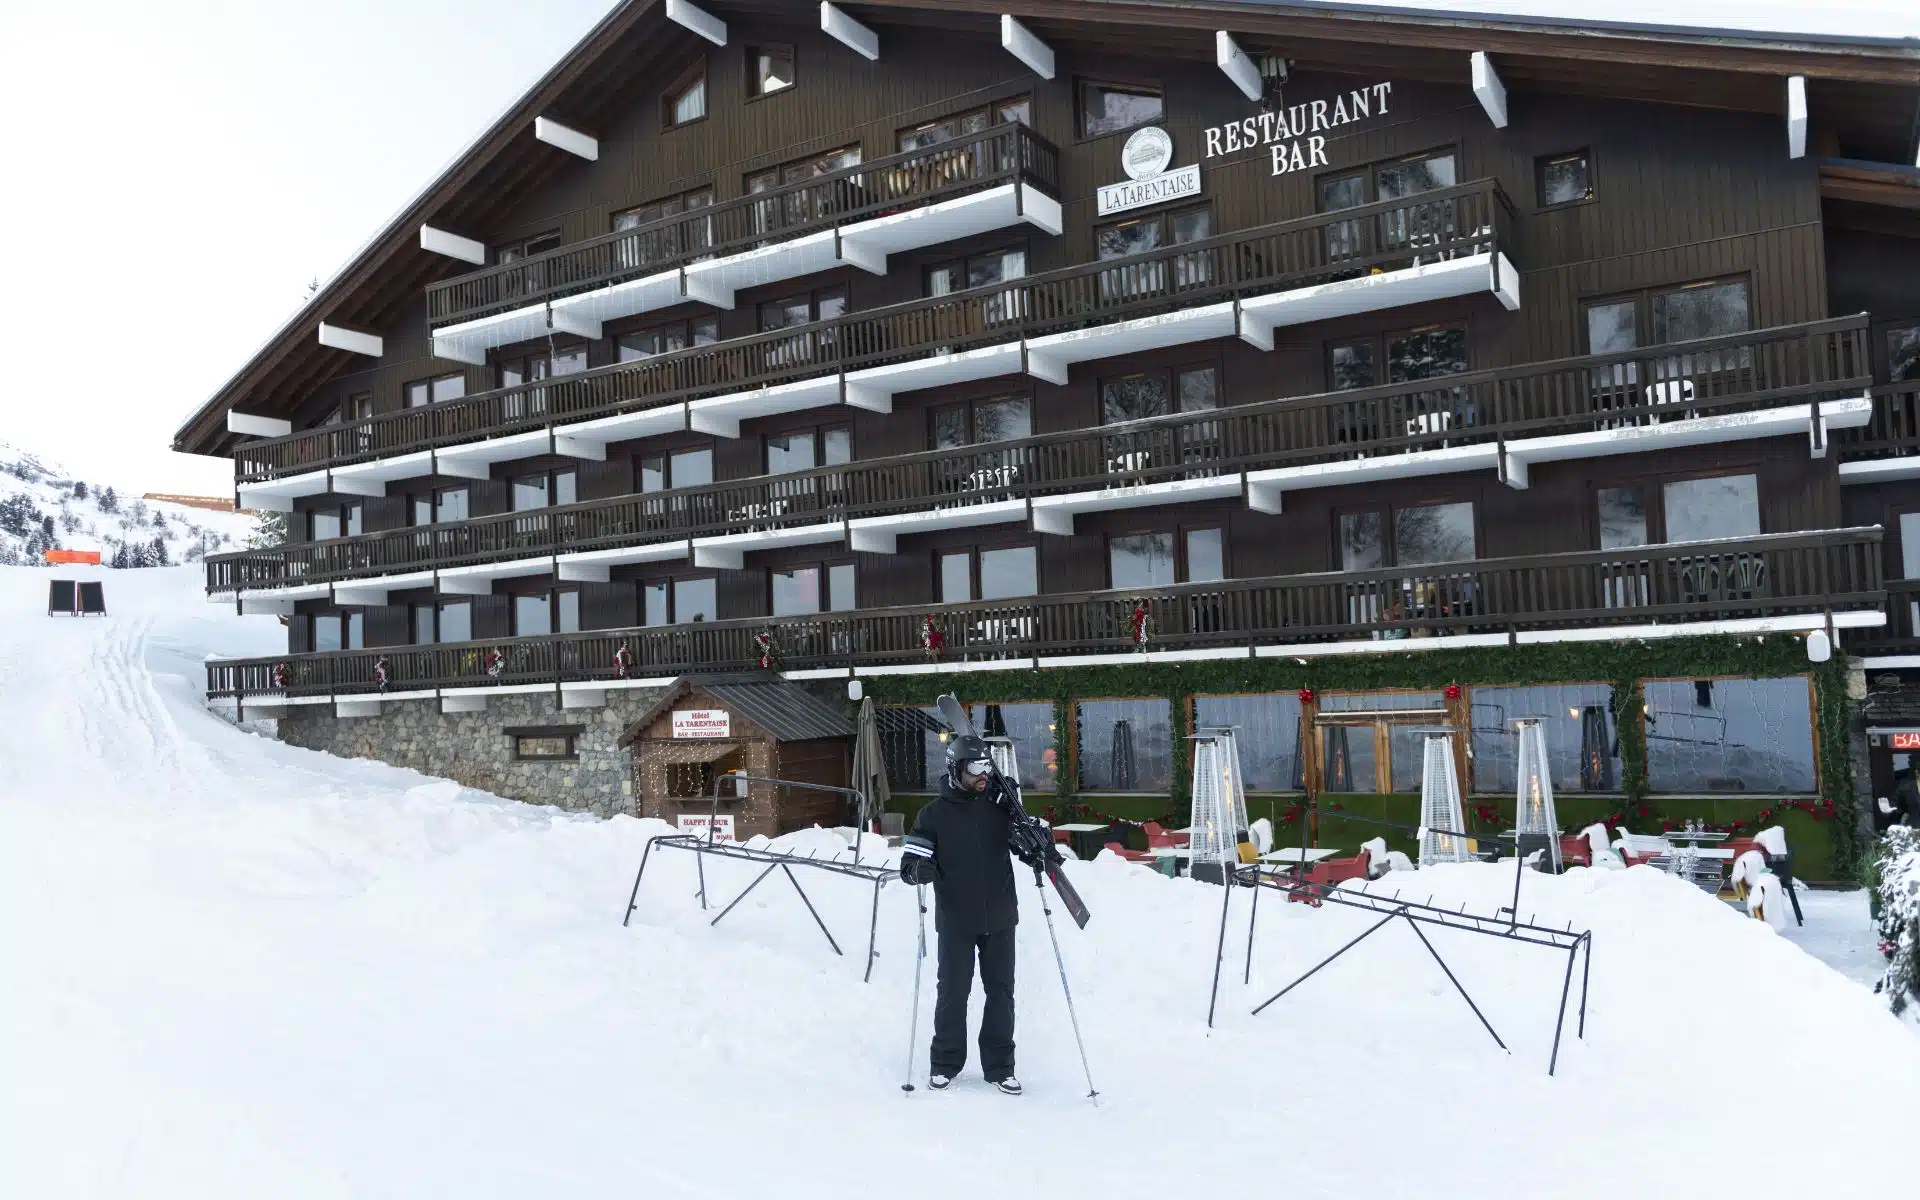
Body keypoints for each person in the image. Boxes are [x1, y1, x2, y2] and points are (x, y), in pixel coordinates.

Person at [898, 733, 1057, 1096]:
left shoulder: (1000, 807)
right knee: (953, 993)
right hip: (956, 918)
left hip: (1000, 915)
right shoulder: (933, 815)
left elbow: (1026, 846)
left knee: (1001, 993)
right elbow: (909, 864)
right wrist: (917, 871)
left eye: (987, 766)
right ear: (956, 770)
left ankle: (1001, 1067)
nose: (983, 774)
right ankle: (945, 1063)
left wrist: (1037, 845)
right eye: (975, 768)